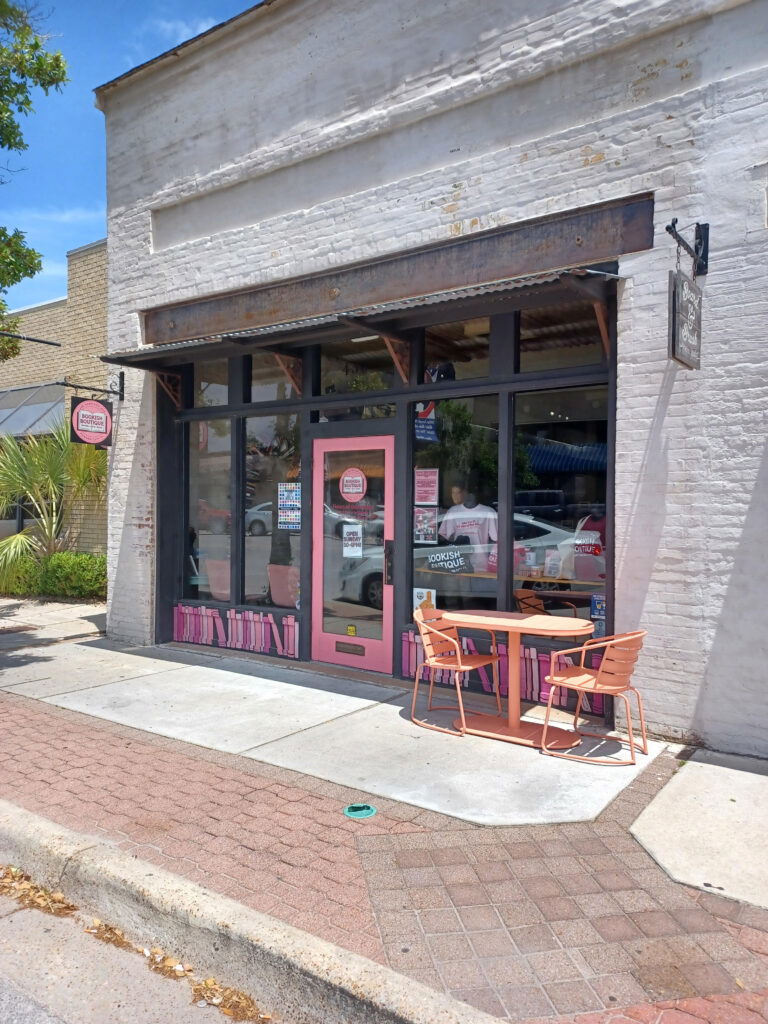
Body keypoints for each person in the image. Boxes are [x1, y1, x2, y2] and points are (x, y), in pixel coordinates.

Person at [439, 485, 498, 571]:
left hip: (480, 562)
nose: (455, 496)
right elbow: (444, 537)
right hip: (458, 561)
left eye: (458, 492)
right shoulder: (453, 511)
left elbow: (496, 538)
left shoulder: (488, 512)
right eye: (453, 493)